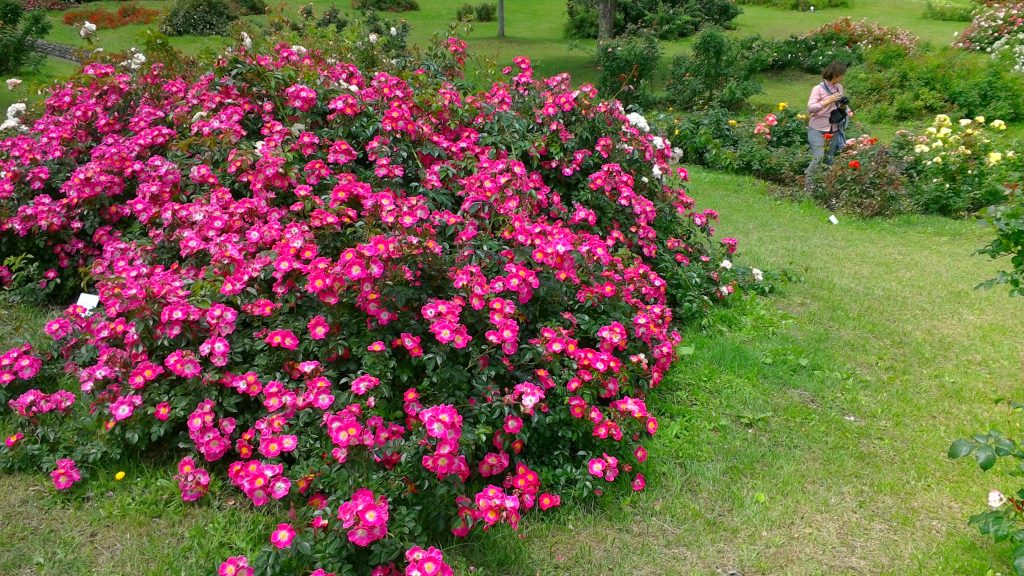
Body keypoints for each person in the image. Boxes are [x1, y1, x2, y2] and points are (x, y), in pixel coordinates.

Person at [805, 61, 852, 190]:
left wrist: (843, 105)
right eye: (841, 74)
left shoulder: (839, 87)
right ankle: (808, 187)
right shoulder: (818, 89)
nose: (842, 77)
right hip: (817, 129)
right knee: (818, 157)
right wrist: (827, 101)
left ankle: (825, 187)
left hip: (833, 129)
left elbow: (840, 107)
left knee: (829, 159)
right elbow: (810, 108)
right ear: (835, 74)